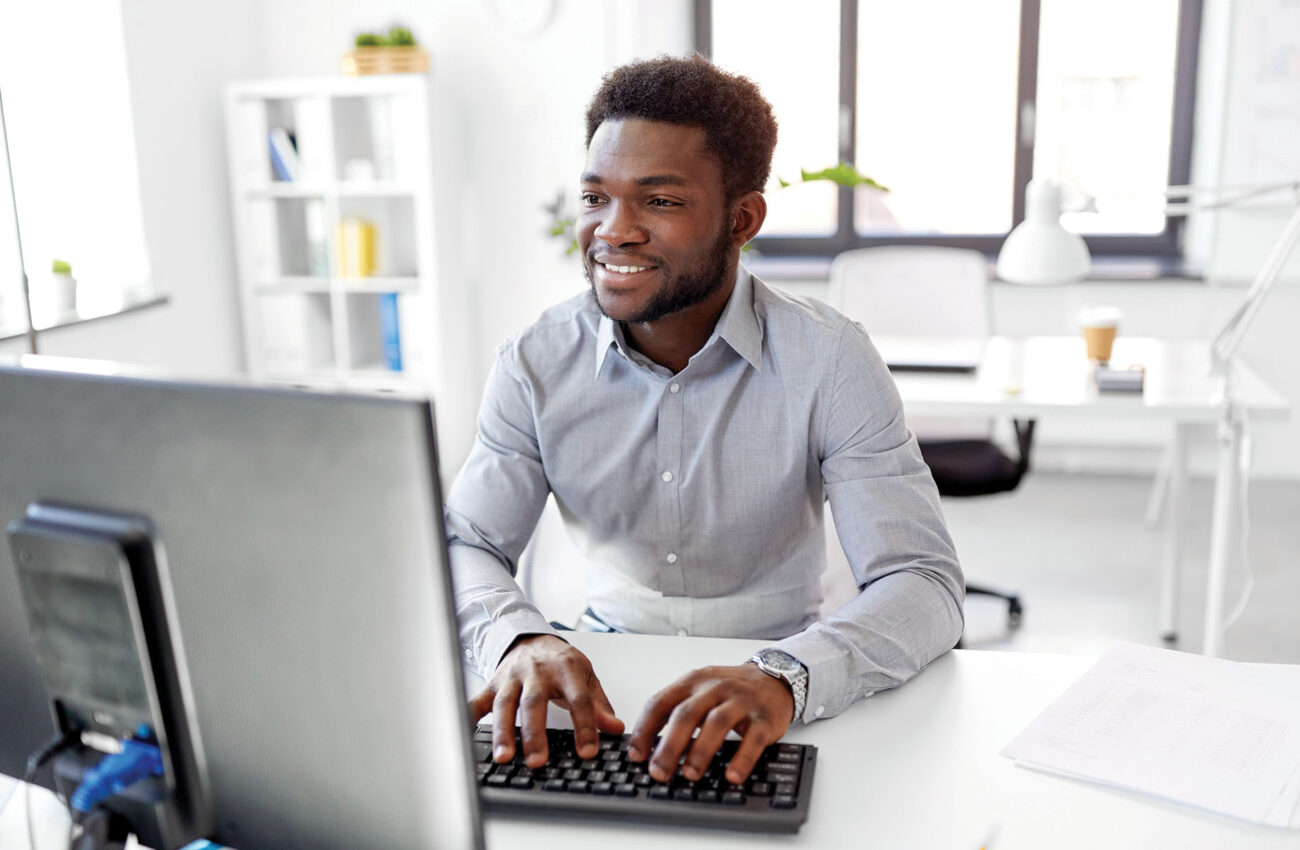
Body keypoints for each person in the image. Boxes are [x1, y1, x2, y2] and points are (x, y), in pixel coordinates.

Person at [446, 54, 963, 788]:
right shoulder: (535, 361)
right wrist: (517, 640)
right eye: (597, 196)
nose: (612, 232)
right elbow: (467, 542)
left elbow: (923, 582)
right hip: (603, 686)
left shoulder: (830, 359)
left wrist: (788, 678)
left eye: (659, 202)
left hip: (784, 681)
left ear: (742, 219)